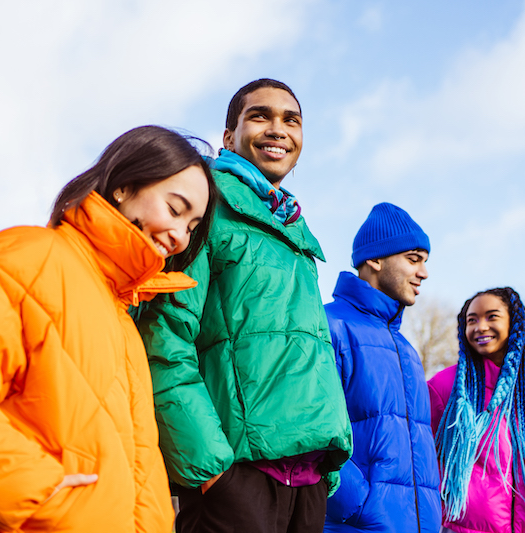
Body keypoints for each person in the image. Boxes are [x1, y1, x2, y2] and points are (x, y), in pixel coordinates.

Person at [0, 125, 218, 533]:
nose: (180, 238)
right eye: (174, 209)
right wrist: (42, 496)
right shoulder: (31, 259)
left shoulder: (123, 321)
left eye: (191, 226)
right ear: (125, 187)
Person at [131, 78, 352, 533]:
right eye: (260, 116)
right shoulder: (203, 208)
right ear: (229, 137)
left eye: (291, 120)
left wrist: (326, 472)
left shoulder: (294, 229)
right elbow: (163, 343)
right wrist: (213, 473)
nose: (278, 129)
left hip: (306, 486)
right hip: (236, 483)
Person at [323, 202, 442, 533]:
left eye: (425, 262)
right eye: (413, 259)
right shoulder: (327, 325)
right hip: (356, 525)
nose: (424, 272)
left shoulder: (407, 350)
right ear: (374, 259)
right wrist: (357, 505)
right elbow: (314, 427)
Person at [428, 287, 525, 533]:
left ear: (514, 325)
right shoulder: (445, 386)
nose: (480, 326)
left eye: (492, 316)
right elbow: (420, 457)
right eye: (472, 320)